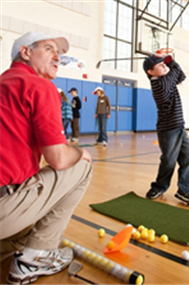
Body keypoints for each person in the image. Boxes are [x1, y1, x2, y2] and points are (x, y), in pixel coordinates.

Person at [0, 32, 92, 285]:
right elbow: (58, 159)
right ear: (26, 53)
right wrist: (81, 152)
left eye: (59, 52)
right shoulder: (39, 86)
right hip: (3, 208)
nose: (58, 57)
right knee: (81, 167)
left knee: (32, 215)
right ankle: (36, 255)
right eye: (49, 48)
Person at [143, 54, 189, 206]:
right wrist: (169, 59)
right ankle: (159, 187)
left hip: (179, 126)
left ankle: (185, 191)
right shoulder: (160, 84)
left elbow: (181, 75)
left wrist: (168, 61)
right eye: (160, 65)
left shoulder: (166, 80)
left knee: (188, 158)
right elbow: (176, 72)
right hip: (169, 129)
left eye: (164, 64)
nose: (164, 66)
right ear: (150, 72)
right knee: (169, 161)